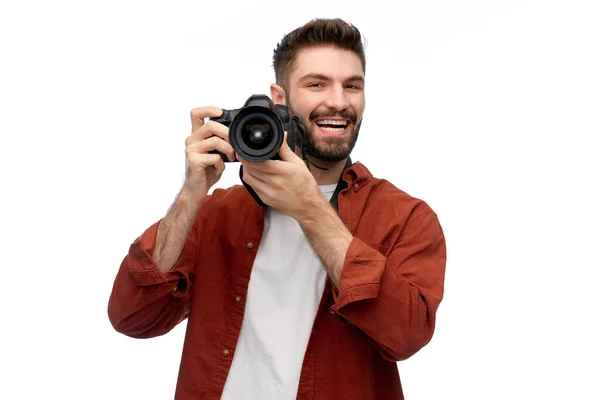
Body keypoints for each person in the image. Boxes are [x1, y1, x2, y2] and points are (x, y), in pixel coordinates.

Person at [108, 18, 447, 400]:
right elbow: (132, 317)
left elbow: (406, 335)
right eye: (317, 84)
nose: (338, 101)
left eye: (352, 85)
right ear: (279, 97)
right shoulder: (216, 213)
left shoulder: (406, 218)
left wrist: (310, 209)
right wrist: (192, 193)